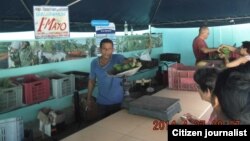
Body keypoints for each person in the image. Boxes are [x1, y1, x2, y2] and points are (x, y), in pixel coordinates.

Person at [86, 38, 128, 119]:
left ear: (113, 49)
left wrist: (129, 61)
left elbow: (125, 61)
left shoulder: (117, 58)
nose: (107, 51)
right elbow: (91, 81)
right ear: (100, 49)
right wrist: (89, 99)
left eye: (109, 49)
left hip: (118, 102)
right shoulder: (94, 63)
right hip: (101, 102)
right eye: (104, 49)